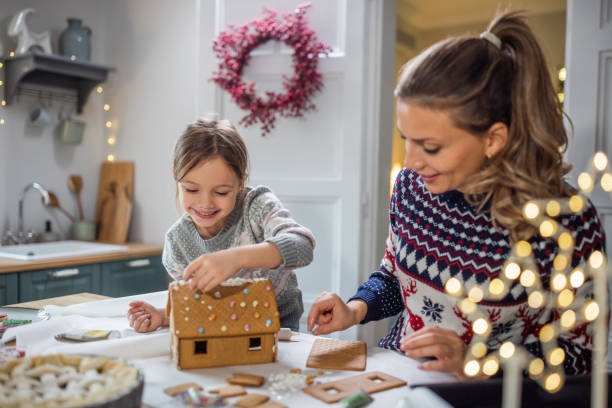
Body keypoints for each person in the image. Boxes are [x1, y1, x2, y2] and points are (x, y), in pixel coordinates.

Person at [307, 11, 605, 378]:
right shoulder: (411, 188)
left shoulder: (569, 221)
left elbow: (581, 352)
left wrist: (476, 362)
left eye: (430, 147)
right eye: (407, 140)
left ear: (493, 139)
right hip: (400, 382)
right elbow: (395, 276)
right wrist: (355, 308)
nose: (411, 161)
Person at [128, 118, 315, 332]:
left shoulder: (256, 206)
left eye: (221, 192)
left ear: (241, 182)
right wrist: (165, 316)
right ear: (175, 176)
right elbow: (201, 308)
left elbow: (303, 245)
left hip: (278, 331)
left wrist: (236, 258)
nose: (205, 203)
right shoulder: (177, 242)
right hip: (221, 332)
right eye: (191, 189)